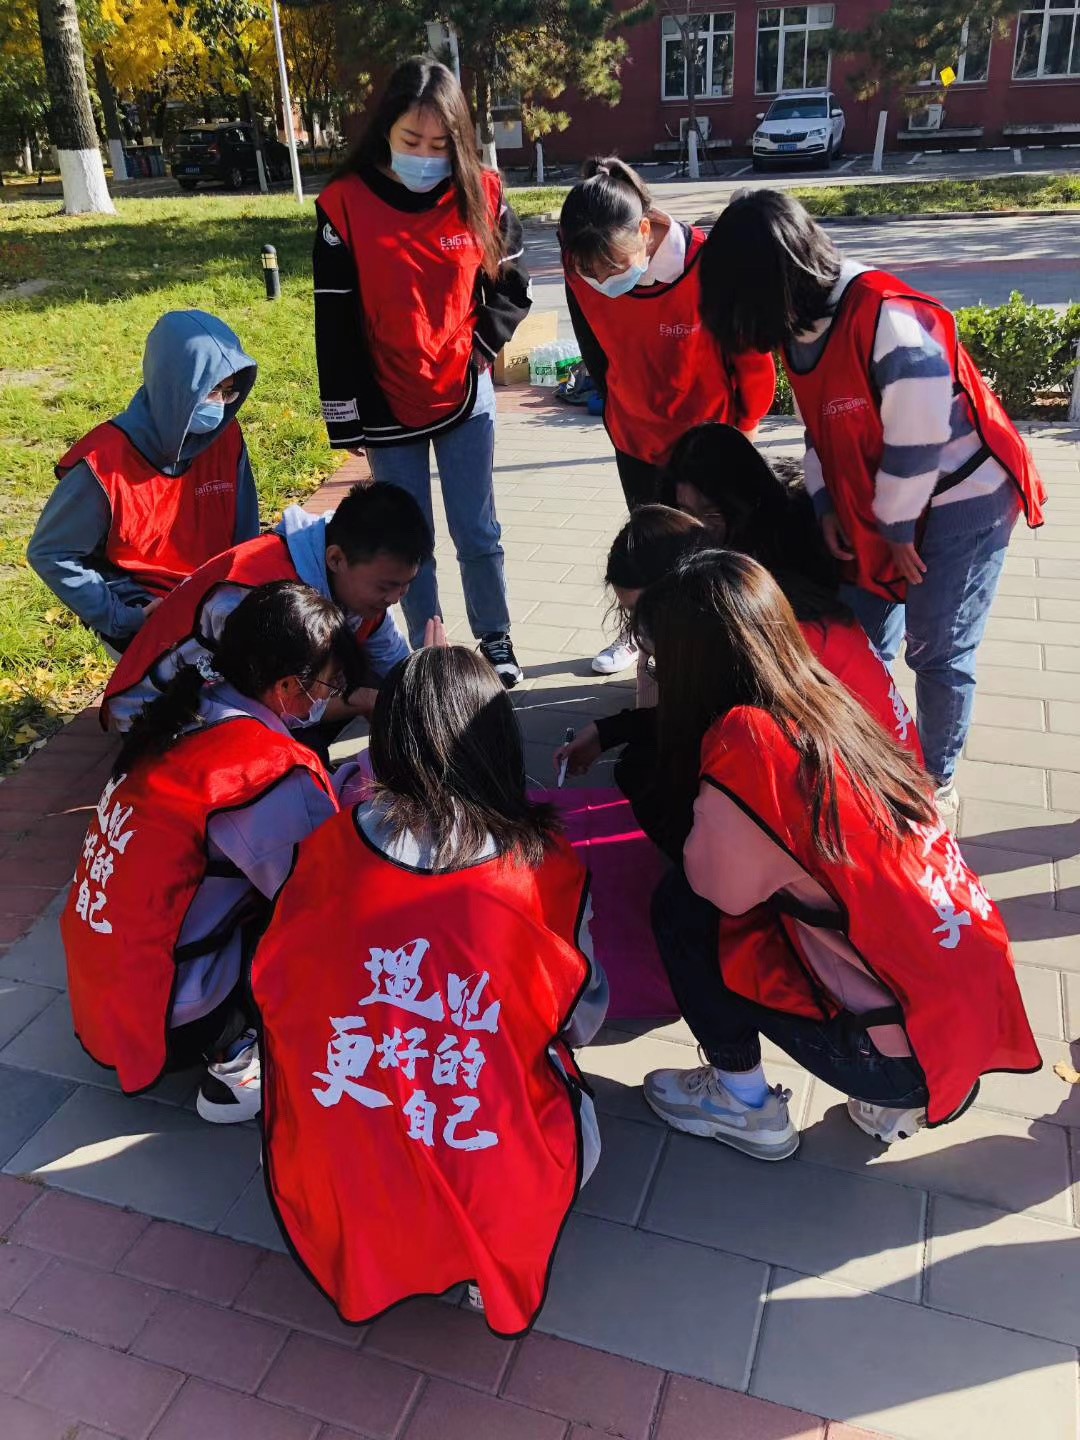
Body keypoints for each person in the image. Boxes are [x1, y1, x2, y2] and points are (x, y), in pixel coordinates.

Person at [633, 551, 1039, 1160]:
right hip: (965, 1014)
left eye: (659, 656)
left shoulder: (750, 740)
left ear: (693, 661)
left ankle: (741, 1100)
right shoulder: (825, 691)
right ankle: (905, 1094)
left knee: (681, 908)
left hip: (894, 1054)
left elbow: (716, 885)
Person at [252, 646, 608, 1336]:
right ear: (501, 742)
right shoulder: (545, 872)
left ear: (386, 742)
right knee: (569, 1105)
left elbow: (274, 983)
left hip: (342, 1156)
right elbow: (581, 1020)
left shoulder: (328, 848)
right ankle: (481, 1261)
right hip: (482, 1150)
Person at [698, 190, 1047, 815]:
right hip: (881, 500)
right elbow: (819, 428)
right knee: (856, 634)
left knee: (938, 649)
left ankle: (934, 783)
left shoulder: (887, 318)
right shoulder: (801, 327)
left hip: (962, 495)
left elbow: (919, 436)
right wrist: (827, 504)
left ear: (772, 283)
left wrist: (894, 530)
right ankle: (866, 753)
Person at [60, 582, 355, 1122]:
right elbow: (325, 890)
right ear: (288, 686)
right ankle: (237, 1055)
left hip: (102, 989)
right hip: (170, 1016)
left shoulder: (183, 710)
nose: (332, 695)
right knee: (326, 923)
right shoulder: (265, 771)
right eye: (330, 683)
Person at [314, 58, 531, 688]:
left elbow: (511, 285)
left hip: (464, 390)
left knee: (477, 528)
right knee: (410, 540)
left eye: (441, 144)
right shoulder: (344, 203)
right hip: (384, 398)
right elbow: (333, 318)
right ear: (386, 127)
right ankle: (426, 650)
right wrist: (344, 416)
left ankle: (496, 637)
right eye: (412, 140)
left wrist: (483, 347)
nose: (426, 155)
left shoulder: (482, 192)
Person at [558, 506, 922, 848]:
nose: (641, 629)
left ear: (679, 590)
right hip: (891, 796)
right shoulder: (754, 602)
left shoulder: (744, 651)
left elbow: (705, 730)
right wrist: (608, 731)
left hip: (871, 828)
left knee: (652, 779)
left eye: (643, 613)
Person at [559, 159, 776, 675]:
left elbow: (752, 359)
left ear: (645, 229)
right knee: (650, 546)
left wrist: (744, 431)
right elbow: (595, 351)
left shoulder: (709, 265)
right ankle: (645, 635)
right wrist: (618, 405)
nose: (601, 280)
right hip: (636, 435)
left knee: (711, 551)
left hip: (708, 442)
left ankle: (724, 649)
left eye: (613, 266)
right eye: (589, 271)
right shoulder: (580, 267)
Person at [101, 481, 432, 733]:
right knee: (299, 771)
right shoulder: (263, 599)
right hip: (155, 716)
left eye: (406, 585)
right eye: (386, 587)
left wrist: (433, 683)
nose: (395, 598)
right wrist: (359, 700)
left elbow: (392, 663)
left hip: (241, 688)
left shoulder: (356, 567)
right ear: (335, 559)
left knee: (371, 685)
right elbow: (284, 707)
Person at [28, 311, 260, 654]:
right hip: (143, 608)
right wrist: (121, 618)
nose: (219, 406)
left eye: (228, 393)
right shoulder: (103, 462)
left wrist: (247, 591)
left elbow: (246, 529)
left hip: (214, 597)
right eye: (211, 391)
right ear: (173, 385)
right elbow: (50, 552)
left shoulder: (226, 437)